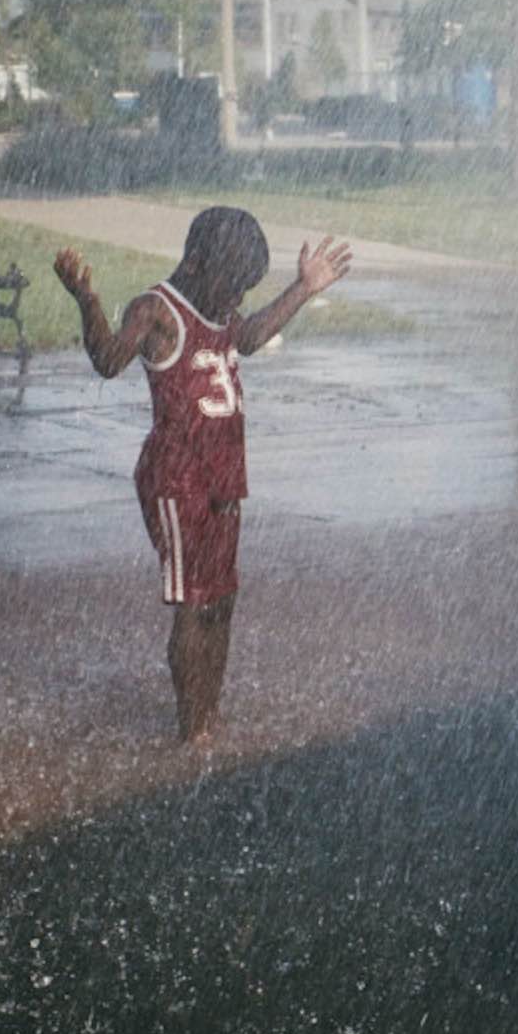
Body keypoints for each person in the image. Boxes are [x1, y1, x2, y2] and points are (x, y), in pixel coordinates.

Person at [52, 208, 353, 746]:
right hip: (178, 479)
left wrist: (303, 288)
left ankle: (209, 713)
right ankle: (192, 729)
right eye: (232, 286)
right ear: (195, 263)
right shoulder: (157, 310)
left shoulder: (220, 310)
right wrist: (87, 301)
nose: (236, 299)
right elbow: (108, 360)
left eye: (243, 290)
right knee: (194, 601)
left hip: (223, 478)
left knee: (222, 599)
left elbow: (251, 337)